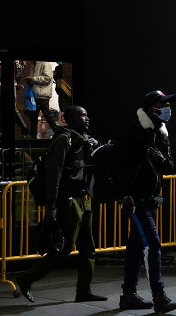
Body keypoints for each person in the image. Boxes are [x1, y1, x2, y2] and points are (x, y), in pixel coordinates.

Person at [15, 105, 106, 303]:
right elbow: (53, 174)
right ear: (69, 119)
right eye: (82, 115)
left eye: (87, 114)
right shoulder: (63, 139)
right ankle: (26, 278)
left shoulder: (81, 140)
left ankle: (84, 291)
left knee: (88, 248)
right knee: (64, 248)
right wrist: (51, 206)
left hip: (83, 198)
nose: (87, 118)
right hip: (69, 199)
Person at [117, 90, 176, 313]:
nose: (166, 108)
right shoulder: (134, 130)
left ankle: (128, 295)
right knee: (153, 244)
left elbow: (170, 166)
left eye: (167, 104)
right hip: (135, 199)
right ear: (150, 108)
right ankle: (159, 295)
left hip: (151, 198)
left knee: (135, 246)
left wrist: (160, 159)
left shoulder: (161, 132)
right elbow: (121, 165)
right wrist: (125, 195)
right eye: (162, 104)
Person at [24, 61, 59, 138]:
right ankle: (33, 138)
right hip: (35, 95)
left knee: (47, 115)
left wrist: (33, 79)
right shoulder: (33, 65)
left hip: (42, 95)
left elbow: (48, 78)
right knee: (33, 118)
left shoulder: (45, 64)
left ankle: (58, 132)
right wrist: (30, 80)